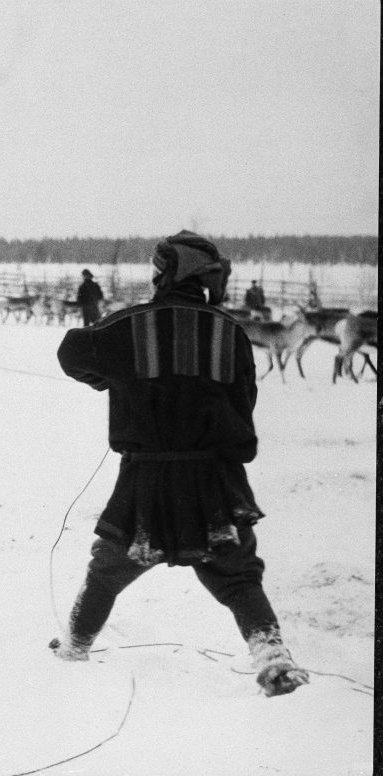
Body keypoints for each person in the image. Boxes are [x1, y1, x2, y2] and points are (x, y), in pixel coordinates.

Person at [50, 230, 309, 698]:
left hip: (145, 481)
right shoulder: (230, 331)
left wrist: (107, 377)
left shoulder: (129, 325)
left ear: (165, 272)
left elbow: (71, 350)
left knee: (108, 569)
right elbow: (243, 412)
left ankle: (73, 647)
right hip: (213, 481)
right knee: (237, 575)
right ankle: (274, 658)